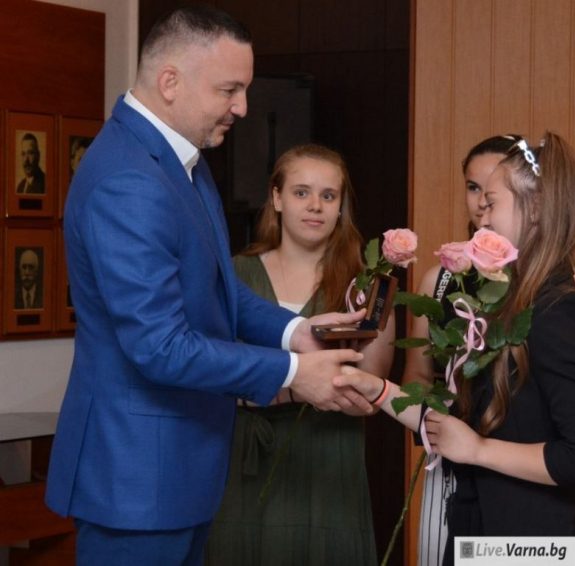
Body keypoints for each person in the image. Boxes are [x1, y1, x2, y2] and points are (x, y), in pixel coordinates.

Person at [45, 6, 371, 564]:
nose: (242, 107)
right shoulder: (130, 179)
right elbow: (160, 346)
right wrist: (294, 373)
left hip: (176, 471)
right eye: (229, 90)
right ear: (170, 81)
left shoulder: (179, 161)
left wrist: (296, 332)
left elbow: (216, 288)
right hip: (137, 480)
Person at [337, 131, 575, 566]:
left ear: (536, 208)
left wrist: (478, 450)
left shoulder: (560, 309)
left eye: (492, 203)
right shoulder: (505, 301)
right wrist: (375, 389)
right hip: (479, 521)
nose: (481, 218)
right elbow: (455, 428)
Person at [206, 144, 394, 565]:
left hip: (330, 458)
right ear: (276, 198)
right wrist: (296, 387)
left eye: (328, 195)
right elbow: (209, 372)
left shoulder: (365, 285)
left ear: (341, 206)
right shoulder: (234, 275)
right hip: (245, 457)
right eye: (301, 192)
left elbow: (371, 391)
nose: (315, 206)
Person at [404, 135, 516, 566]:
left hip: (518, 466)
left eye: (493, 188)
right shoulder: (440, 279)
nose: (482, 201)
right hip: (449, 462)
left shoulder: (547, 280)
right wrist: (437, 422)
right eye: (472, 187)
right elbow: (416, 374)